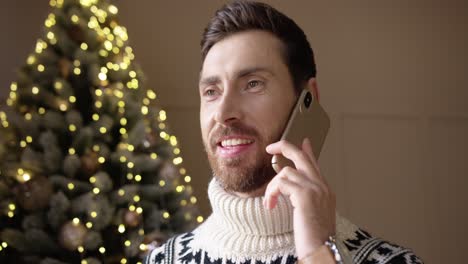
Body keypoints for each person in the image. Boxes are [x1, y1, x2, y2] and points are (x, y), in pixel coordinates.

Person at [145, 1, 423, 263]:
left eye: (253, 84)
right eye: (211, 91)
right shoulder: (161, 260)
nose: (222, 112)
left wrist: (317, 252)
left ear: (308, 97)